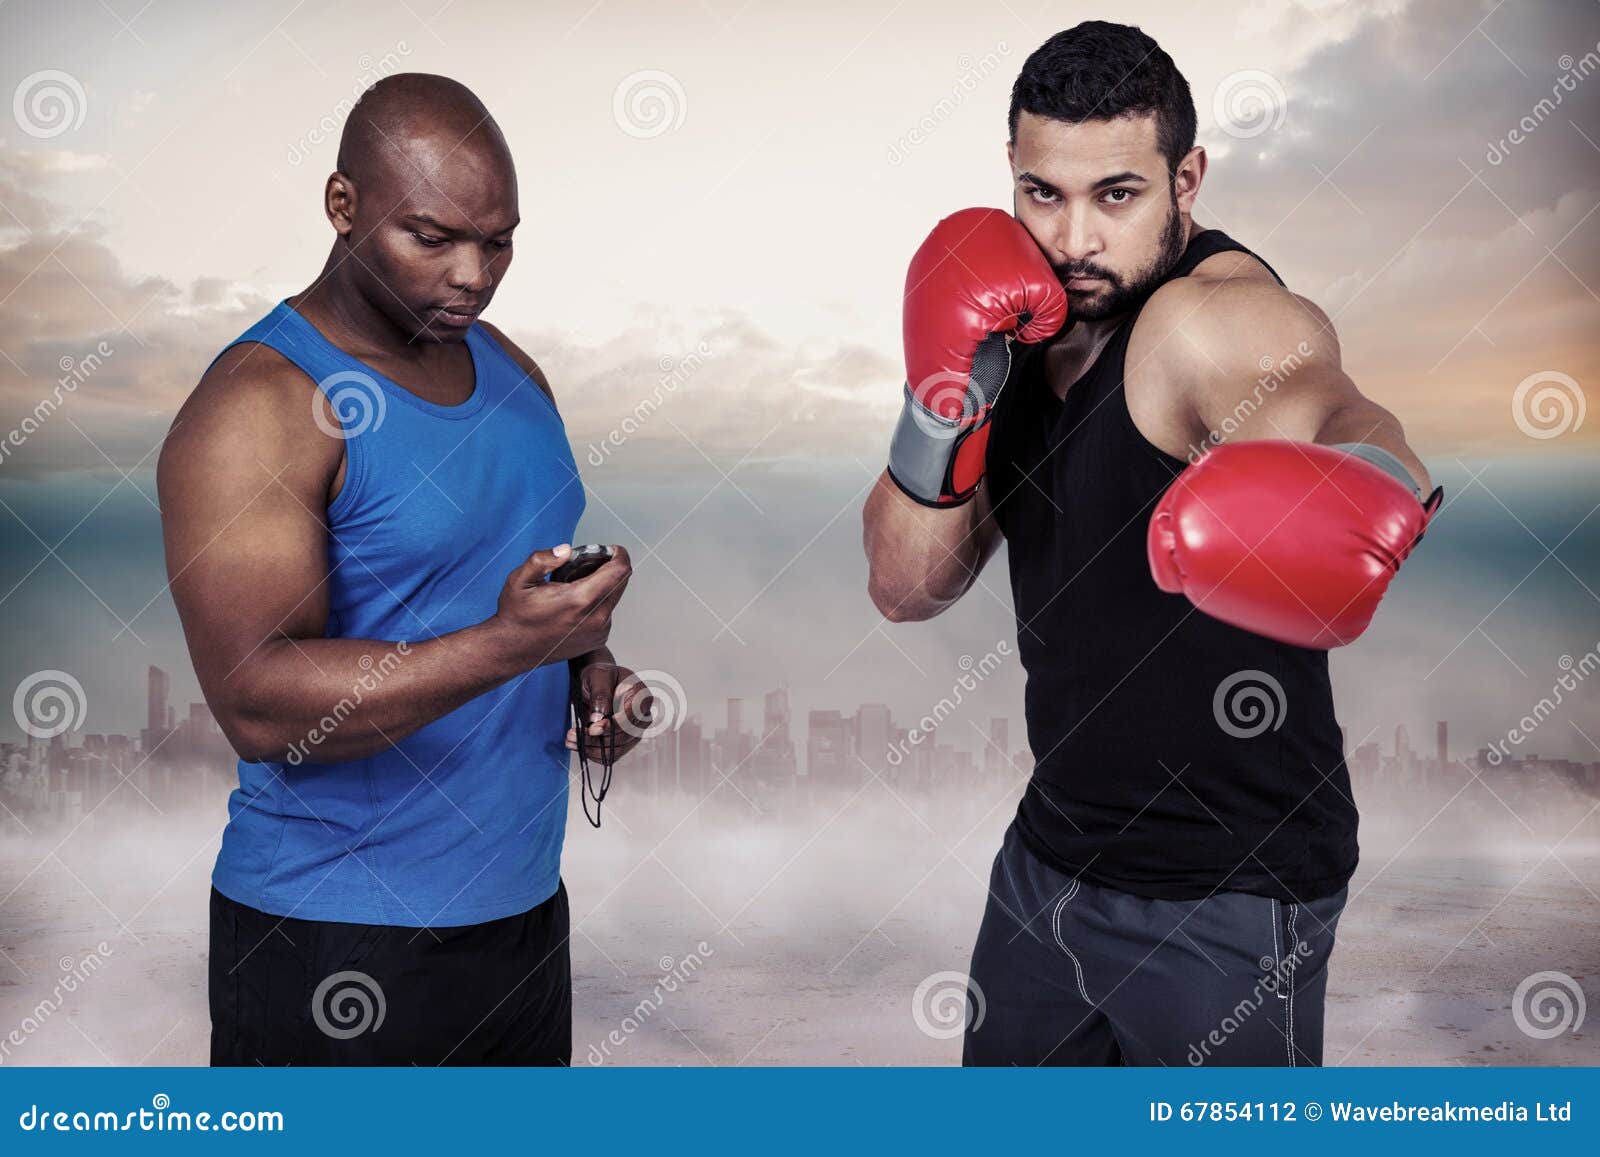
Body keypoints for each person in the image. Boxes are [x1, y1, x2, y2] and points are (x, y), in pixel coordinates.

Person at [863, 22, 1440, 1066]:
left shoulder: (1205, 322)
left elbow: (1335, 407)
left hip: (1226, 891)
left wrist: (1372, 478)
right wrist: (944, 398)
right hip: (1048, 861)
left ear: (1187, 178)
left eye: (1116, 196)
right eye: (1044, 193)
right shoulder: (1014, 326)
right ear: (1011, 172)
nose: (1074, 239)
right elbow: (905, 585)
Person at [158, 73, 648, 1066]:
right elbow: (255, 701)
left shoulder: (511, 370)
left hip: (520, 920)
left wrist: (579, 666)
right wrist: (507, 644)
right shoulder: (262, 403)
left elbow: (487, 597)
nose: (472, 274)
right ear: (343, 207)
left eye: (499, 240)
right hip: (332, 939)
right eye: (431, 238)